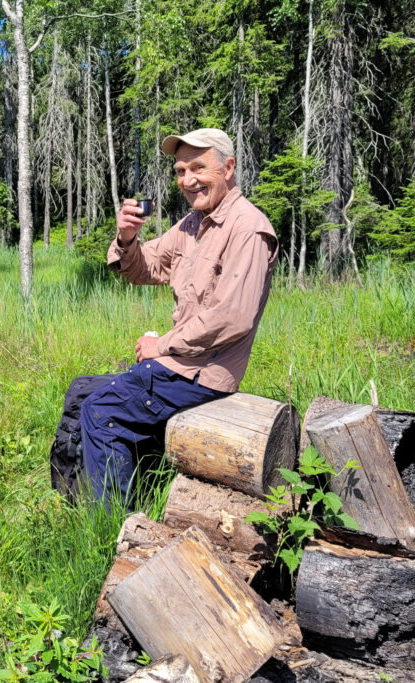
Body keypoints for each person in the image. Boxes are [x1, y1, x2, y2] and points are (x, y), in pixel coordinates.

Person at [80, 128, 278, 504]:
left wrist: (160, 346)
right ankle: (103, 495)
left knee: (100, 410)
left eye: (198, 168)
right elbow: (145, 268)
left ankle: (108, 528)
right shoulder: (193, 224)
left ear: (228, 168)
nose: (187, 181)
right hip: (180, 365)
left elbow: (231, 318)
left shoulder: (248, 229)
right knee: (85, 389)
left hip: (202, 375)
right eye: (180, 171)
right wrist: (126, 238)